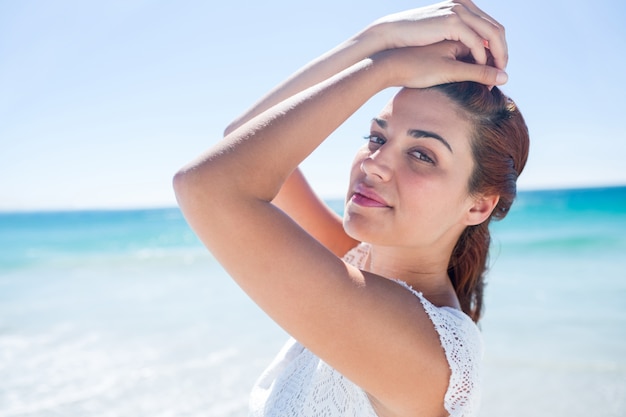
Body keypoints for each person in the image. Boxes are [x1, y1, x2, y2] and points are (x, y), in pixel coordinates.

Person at [173, 0, 529, 416]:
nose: (375, 164)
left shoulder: (424, 353)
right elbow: (241, 138)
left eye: (422, 155)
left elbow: (208, 186)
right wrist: (373, 40)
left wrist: (384, 67)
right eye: (377, 137)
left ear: (479, 205)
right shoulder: (357, 260)